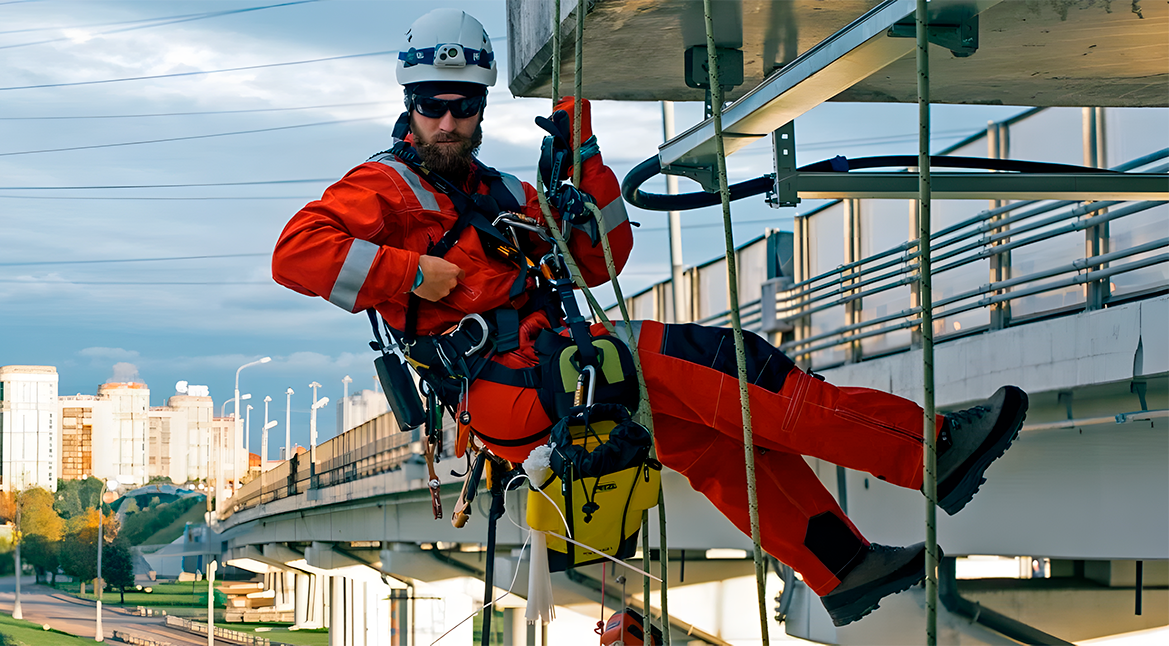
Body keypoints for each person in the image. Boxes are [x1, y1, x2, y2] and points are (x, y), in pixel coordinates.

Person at [272, 8, 1028, 627]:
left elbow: (602, 257)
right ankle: (928, 449)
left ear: (479, 108)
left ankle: (842, 566)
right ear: (410, 103)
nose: (445, 120)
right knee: (732, 366)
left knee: (717, 442)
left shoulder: (502, 192)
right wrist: (414, 272)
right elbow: (295, 253)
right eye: (431, 104)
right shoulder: (384, 187)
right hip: (516, 381)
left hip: (546, 379)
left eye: (461, 106)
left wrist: (582, 149)